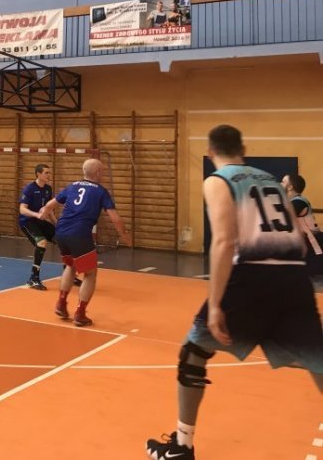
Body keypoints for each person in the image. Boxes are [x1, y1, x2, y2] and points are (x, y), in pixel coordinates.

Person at [146, 125, 323, 459]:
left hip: (253, 275)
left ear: (211, 152)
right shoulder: (273, 181)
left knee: (193, 353)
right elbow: (297, 241)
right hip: (294, 277)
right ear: (244, 149)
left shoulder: (219, 180)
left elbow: (225, 240)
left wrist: (216, 303)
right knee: (317, 359)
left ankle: (182, 446)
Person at [39, 158, 128, 327]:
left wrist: (44, 213)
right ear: (98, 173)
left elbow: (50, 205)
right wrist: (124, 235)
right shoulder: (101, 191)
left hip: (61, 232)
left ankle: (61, 303)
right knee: (90, 274)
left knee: (71, 265)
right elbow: (115, 218)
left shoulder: (72, 186)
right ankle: (80, 313)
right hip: (79, 234)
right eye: (103, 171)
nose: (104, 174)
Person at [18, 164, 80, 290]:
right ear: (38, 174)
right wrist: (37, 214)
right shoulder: (29, 189)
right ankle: (33, 279)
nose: (48, 175)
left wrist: (57, 224)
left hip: (41, 221)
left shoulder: (48, 189)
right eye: (46, 173)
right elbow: (22, 209)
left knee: (64, 240)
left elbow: (49, 208)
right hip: (27, 222)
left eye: (49, 172)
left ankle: (69, 275)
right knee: (41, 243)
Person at [282, 174, 323, 273]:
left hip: (312, 245)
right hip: (305, 244)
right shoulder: (292, 201)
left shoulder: (299, 202)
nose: (280, 184)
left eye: (283, 182)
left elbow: (282, 217)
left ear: (290, 187)